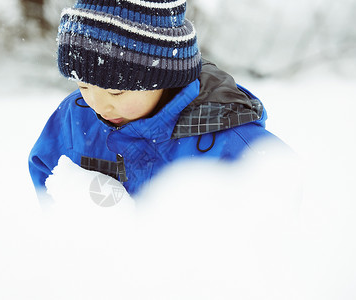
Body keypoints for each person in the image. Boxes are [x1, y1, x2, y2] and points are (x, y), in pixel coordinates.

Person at [28, 0, 287, 206]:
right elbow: (46, 171)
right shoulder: (74, 118)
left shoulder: (229, 140)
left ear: (164, 77)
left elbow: (284, 205)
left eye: (116, 92)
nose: (99, 105)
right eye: (83, 85)